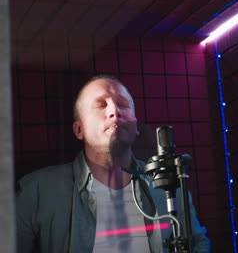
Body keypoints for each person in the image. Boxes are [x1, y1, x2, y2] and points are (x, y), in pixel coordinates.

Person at [16, 75, 210, 253]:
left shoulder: (168, 184)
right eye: (100, 105)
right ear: (78, 129)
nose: (114, 111)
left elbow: (197, 243)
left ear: (135, 126)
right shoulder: (38, 190)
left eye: (122, 104)